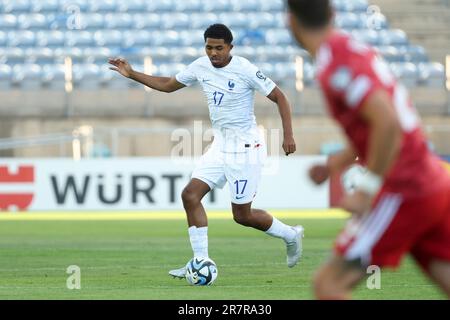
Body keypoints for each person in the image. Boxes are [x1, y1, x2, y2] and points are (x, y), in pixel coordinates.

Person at [109, 24, 304, 278]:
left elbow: (280, 97)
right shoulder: (200, 66)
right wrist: (132, 73)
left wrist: (288, 135)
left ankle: (290, 235)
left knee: (242, 216)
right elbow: (168, 84)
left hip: (245, 149)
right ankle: (200, 261)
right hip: (220, 146)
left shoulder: (244, 68)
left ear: (230, 48)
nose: (214, 53)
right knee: (190, 195)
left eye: (219, 48)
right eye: (209, 47)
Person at [286, 0, 450, 299]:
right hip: (431, 179)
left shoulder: (334, 66)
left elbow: (388, 123)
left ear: (291, 22)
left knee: (328, 285)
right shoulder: (350, 48)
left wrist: (367, 189)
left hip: (404, 187)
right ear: (332, 14)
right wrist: (336, 164)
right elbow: (374, 125)